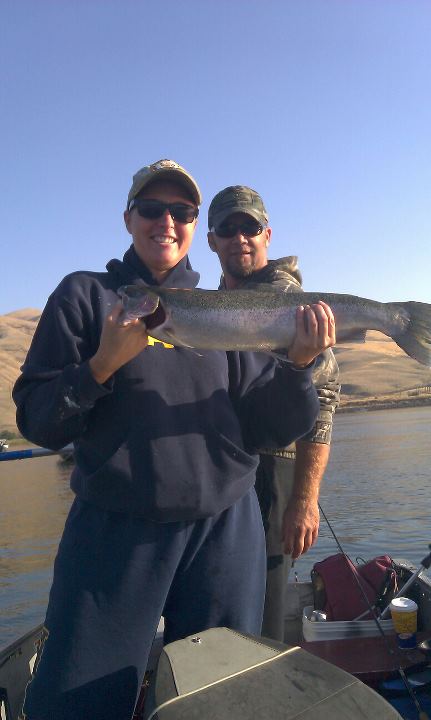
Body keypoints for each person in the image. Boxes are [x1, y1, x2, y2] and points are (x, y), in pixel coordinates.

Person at [13, 160, 335, 720]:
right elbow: (39, 420)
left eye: (181, 212)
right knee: (78, 699)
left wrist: (298, 368)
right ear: (128, 218)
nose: (167, 221)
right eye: (152, 209)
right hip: (115, 533)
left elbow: (268, 428)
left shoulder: (224, 312)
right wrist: (99, 369)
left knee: (226, 697)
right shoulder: (87, 296)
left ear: (193, 227)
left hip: (225, 532)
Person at [208, 185, 340, 642]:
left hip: (274, 476)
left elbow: (326, 398)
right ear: (212, 240)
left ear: (267, 235)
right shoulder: (206, 307)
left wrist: (304, 500)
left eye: (249, 227)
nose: (239, 238)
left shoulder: (292, 303)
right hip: (218, 473)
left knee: (260, 615)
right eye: (228, 228)